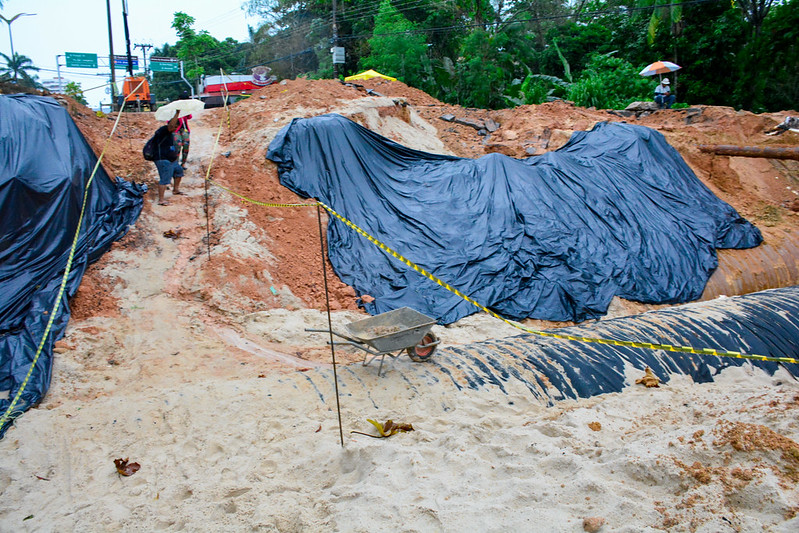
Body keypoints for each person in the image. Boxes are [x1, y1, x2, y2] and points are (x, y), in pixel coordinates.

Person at [151, 110, 184, 206]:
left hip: (171, 160)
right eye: (175, 127)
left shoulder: (169, 133)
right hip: (163, 160)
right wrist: (177, 113)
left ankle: (176, 189)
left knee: (179, 171)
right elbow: (170, 126)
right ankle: (161, 200)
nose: (175, 129)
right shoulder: (164, 130)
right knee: (165, 179)